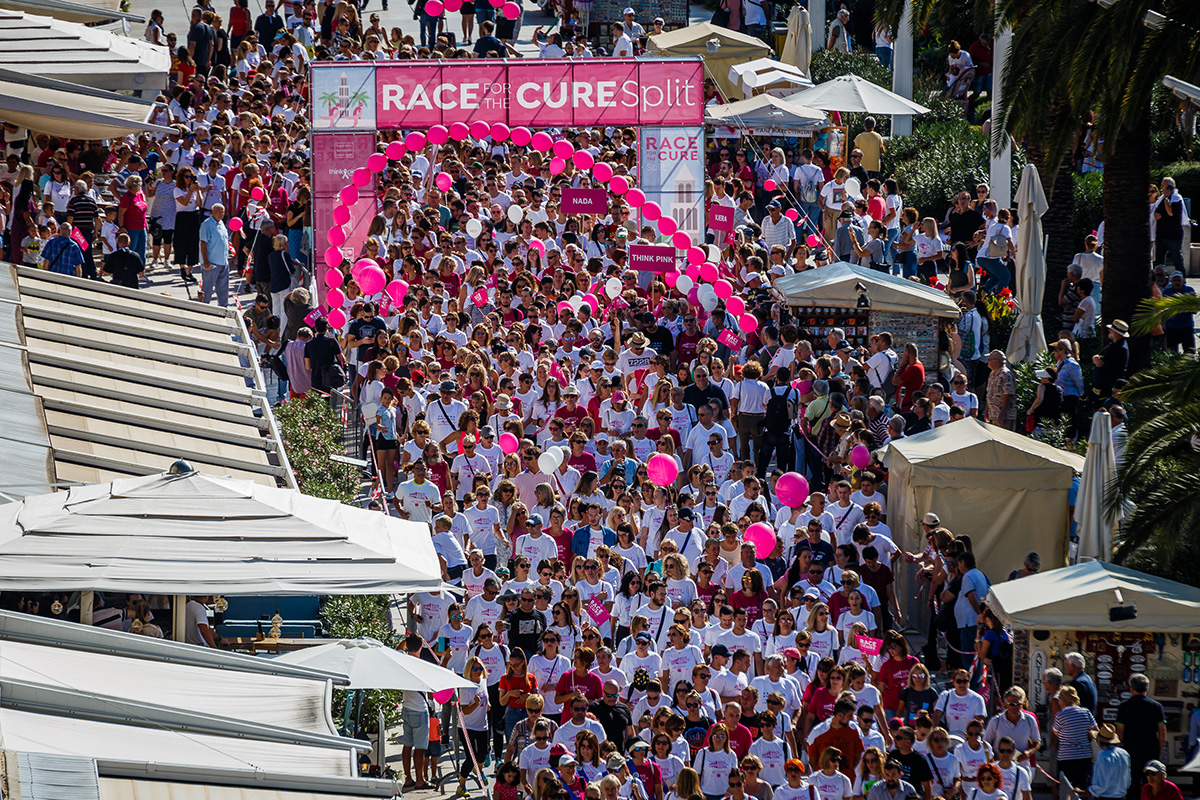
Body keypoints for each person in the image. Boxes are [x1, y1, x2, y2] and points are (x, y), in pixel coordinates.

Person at [1117, 673, 1166, 798]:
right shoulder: (1156, 706)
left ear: (1131, 689)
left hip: (1130, 751)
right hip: (1151, 750)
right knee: (1151, 784)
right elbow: (1162, 730)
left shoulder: (1124, 707)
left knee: (1131, 784)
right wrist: (1160, 750)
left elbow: (1119, 732)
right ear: (1147, 688)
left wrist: (1119, 749)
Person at [1052, 685, 1097, 792]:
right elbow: (1095, 730)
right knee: (1082, 788)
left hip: (1066, 757)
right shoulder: (1086, 712)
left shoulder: (1060, 715)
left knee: (1065, 790)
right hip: (1084, 756)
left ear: (1062, 700)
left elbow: (1055, 731)